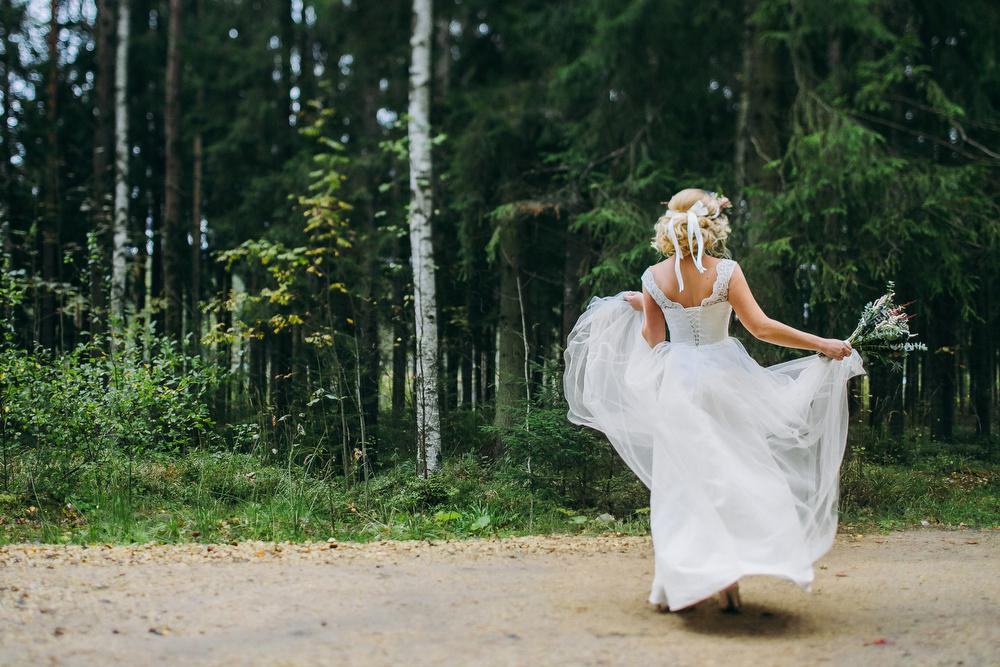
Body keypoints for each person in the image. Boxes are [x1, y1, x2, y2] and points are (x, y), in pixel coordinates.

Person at [563, 188, 865, 613]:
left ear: (669, 225)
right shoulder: (726, 271)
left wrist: (645, 306)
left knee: (682, 484)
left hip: (679, 384)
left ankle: (677, 583)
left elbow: (654, 340)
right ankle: (729, 580)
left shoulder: (653, 277)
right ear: (712, 223)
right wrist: (822, 343)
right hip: (726, 379)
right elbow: (760, 328)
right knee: (733, 474)